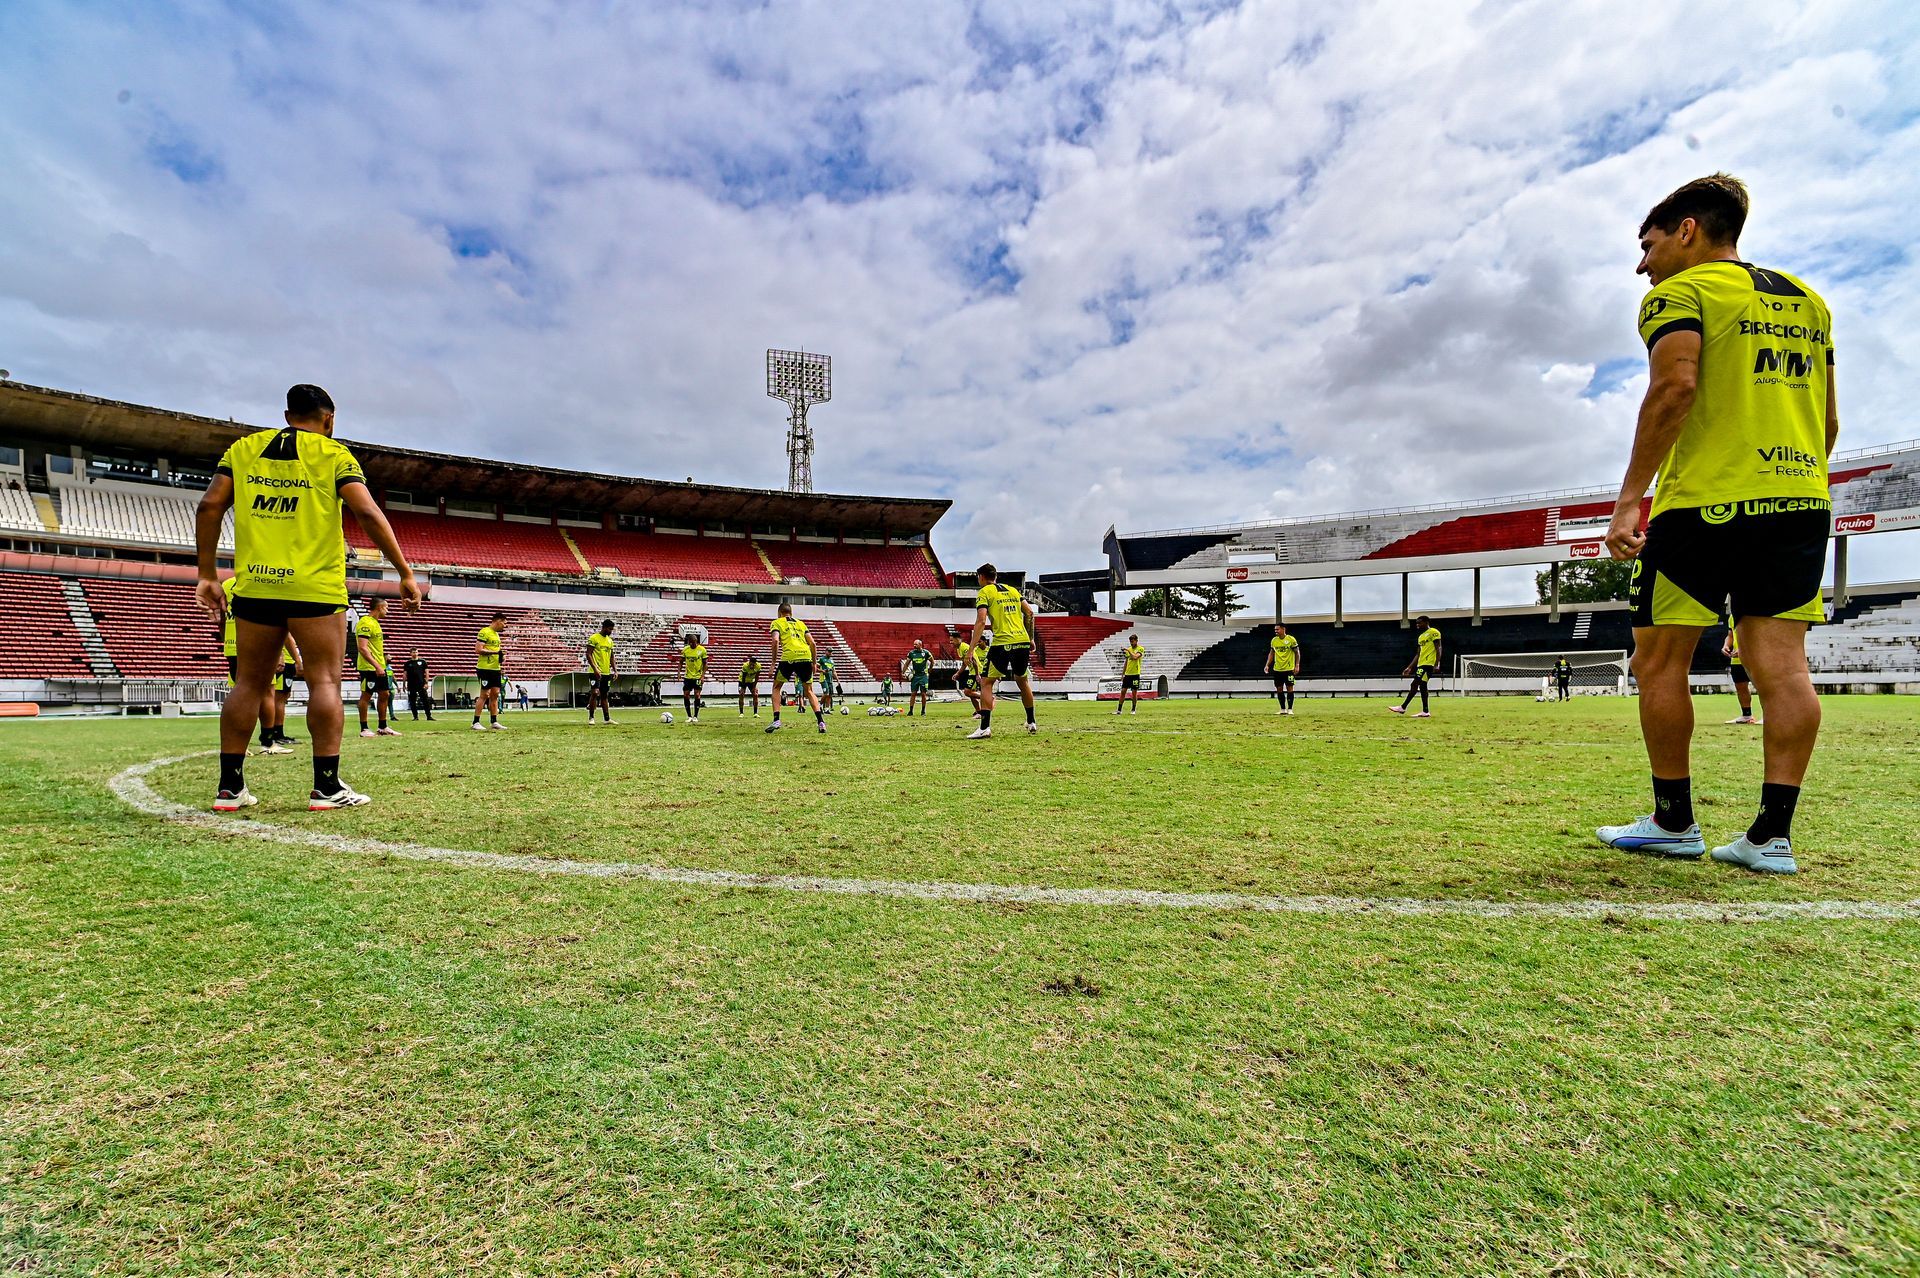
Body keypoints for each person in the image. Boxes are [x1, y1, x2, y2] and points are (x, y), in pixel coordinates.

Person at [1598, 173, 1835, 875]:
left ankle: (1673, 821)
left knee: (1658, 659)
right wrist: (1791, 487)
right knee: (1785, 669)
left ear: (1688, 231)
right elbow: (1827, 422)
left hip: (1704, 504)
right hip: (1800, 499)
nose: (1642, 264)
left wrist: (1630, 498)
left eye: (1648, 245)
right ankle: (1771, 838)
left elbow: (1675, 386)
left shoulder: (1678, 294)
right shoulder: (1809, 303)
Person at [194, 383, 420, 811]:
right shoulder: (333, 455)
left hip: (256, 585)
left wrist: (207, 574)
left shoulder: (242, 449)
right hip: (315, 588)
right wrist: (404, 572)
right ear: (330, 420)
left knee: (248, 683)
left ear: (286, 415)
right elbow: (368, 513)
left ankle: (229, 788)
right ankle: (327, 788)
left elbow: (209, 507)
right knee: (324, 681)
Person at [969, 564, 1041, 739]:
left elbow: (981, 620)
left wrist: (970, 649)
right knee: (1022, 681)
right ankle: (1031, 722)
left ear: (981, 577)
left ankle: (985, 727)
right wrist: (1030, 638)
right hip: (1022, 641)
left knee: (986, 682)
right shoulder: (1012, 590)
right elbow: (1030, 612)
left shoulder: (985, 592)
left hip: (1002, 642)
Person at [219, 574, 285, 754]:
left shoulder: (226, 585)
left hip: (233, 645)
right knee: (267, 693)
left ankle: (240, 745)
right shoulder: (262, 579)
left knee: (241, 692)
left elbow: (221, 619)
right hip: (259, 645)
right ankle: (267, 743)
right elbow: (272, 618)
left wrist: (226, 641)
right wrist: (278, 653)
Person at [765, 602, 826, 734]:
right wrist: (814, 663)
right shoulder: (801, 623)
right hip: (805, 656)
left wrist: (773, 662)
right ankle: (821, 722)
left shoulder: (777, 622)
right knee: (809, 691)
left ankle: (776, 719)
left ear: (780, 613)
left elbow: (775, 641)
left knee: (776, 687)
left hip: (789, 657)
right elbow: (813, 643)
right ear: (791, 612)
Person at [355, 597, 399, 737]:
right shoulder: (365, 622)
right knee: (366, 696)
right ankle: (364, 728)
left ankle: (383, 726)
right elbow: (362, 648)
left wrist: (382, 665)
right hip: (369, 667)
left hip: (380, 666)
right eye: (386, 607)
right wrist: (376, 666)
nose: (388, 610)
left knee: (385, 694)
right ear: (380, 607)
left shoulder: (376, 623)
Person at [1388, 616, 1440, 717]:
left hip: (1428, 664)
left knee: (1414, 684)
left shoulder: (1434, 632)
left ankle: (1403, 707)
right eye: (1417, 623)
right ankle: (1425, 711)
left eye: (1420, 623)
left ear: (1426, 622)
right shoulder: (1421, 637)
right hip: (1421, 664)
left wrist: (1437, 663)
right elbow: (1418, 653)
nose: (1417, 625)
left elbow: (1438, 648)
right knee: (1423, 686)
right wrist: (1410, 667)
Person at [473, 609, 507, 731]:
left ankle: (494, 721)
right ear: (498, 621)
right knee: (484, 694)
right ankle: (475, 722)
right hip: (485, 668)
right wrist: (495, 652)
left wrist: (500, 658)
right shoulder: (484, 631)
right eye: (504, 623)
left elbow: (496, 651)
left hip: (495, 668)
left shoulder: (497, 635)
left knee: (495, 694)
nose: (505, 625)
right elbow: (478, 649)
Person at [1722, 624, 1760, 724]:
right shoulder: (1732, 617)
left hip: (1755, 657)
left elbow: (1759, 635)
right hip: (1737, 660)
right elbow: (1730, 635)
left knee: (1762, 686)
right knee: (1740, 686)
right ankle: (1746, 715)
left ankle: (1769, 715)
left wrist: (1744, 649)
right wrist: (1726, 646)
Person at [1264, 623, 1301, 715]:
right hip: (1277, 669)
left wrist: (1297, 665)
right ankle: (1282, 709)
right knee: (1279, 689)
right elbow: (1272, 653)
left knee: (1290, 688)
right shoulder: (1274, 641)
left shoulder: (1291, 639)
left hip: (1289, 669)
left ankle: (1290, 709)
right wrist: (1267, 665)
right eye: (1275, 630)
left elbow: (1297, 653)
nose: (1276, 631)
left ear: (1283, 629)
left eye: (1277, 629)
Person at [585, 618, 616, 724]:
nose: (611, 632)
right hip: (595, 671)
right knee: (595, 692)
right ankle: (591, 718)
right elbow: (588, 654)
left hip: (606, 672)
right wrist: (595, 668)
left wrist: (615, 670)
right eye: (610, 629)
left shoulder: (610, 641)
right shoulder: (594, 638)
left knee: (604, 695)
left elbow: (612, 657)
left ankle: (607, 719)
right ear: (604, 627)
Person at [680, 632, 709, 723]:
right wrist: (678, 672)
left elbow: (705, 664)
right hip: (688, 677)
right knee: (686, 695)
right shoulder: (685, 650)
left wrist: (703, 676)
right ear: (689, 642)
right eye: (691, 642)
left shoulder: (702, 650)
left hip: (697, 677)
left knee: (697, 695)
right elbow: (681, 662)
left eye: (694, 642)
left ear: (696, 641)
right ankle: (689, 716)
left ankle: (695, 716)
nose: (693, 644)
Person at [1116, 632, 1147, 715]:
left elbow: (1135, 657)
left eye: (1133, 641)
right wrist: (1122, 674)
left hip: (1135, 674)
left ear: (1136, 641)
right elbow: (1126, 662)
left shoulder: (1140, 649)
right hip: (1127, 674)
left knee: (1134, 692)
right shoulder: (1129, 650)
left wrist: (1128, 651)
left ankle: (1133, 709)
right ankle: (1119, 710)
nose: (1132, 643)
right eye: (1130, 642)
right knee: (1123, 691)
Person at [905, 638, 934, 715]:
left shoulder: (926, 653)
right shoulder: (911, 653)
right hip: (915, 676)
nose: (914, 645)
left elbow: (932, 661)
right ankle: (911, 711)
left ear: (920, 645)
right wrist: (903, 672)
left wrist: (930, 669)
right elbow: (906, 663)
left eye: (916, 644)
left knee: (923, 693)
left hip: (923, 676)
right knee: (913, 693)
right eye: (914, 644)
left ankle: (923, 711)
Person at [403, 649, 433, 720]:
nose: (415, 653)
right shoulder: (408, 663)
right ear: (410, 653)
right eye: (413, 652)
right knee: (412, 701)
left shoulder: (423, 662)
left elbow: (427, 672)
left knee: (425, 700)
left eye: (416, 652)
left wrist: (426, 683)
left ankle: (429, 716)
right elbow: (405, 674)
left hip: (421, 684)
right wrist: (404, 684)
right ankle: (415, 717)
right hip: (411, 684)